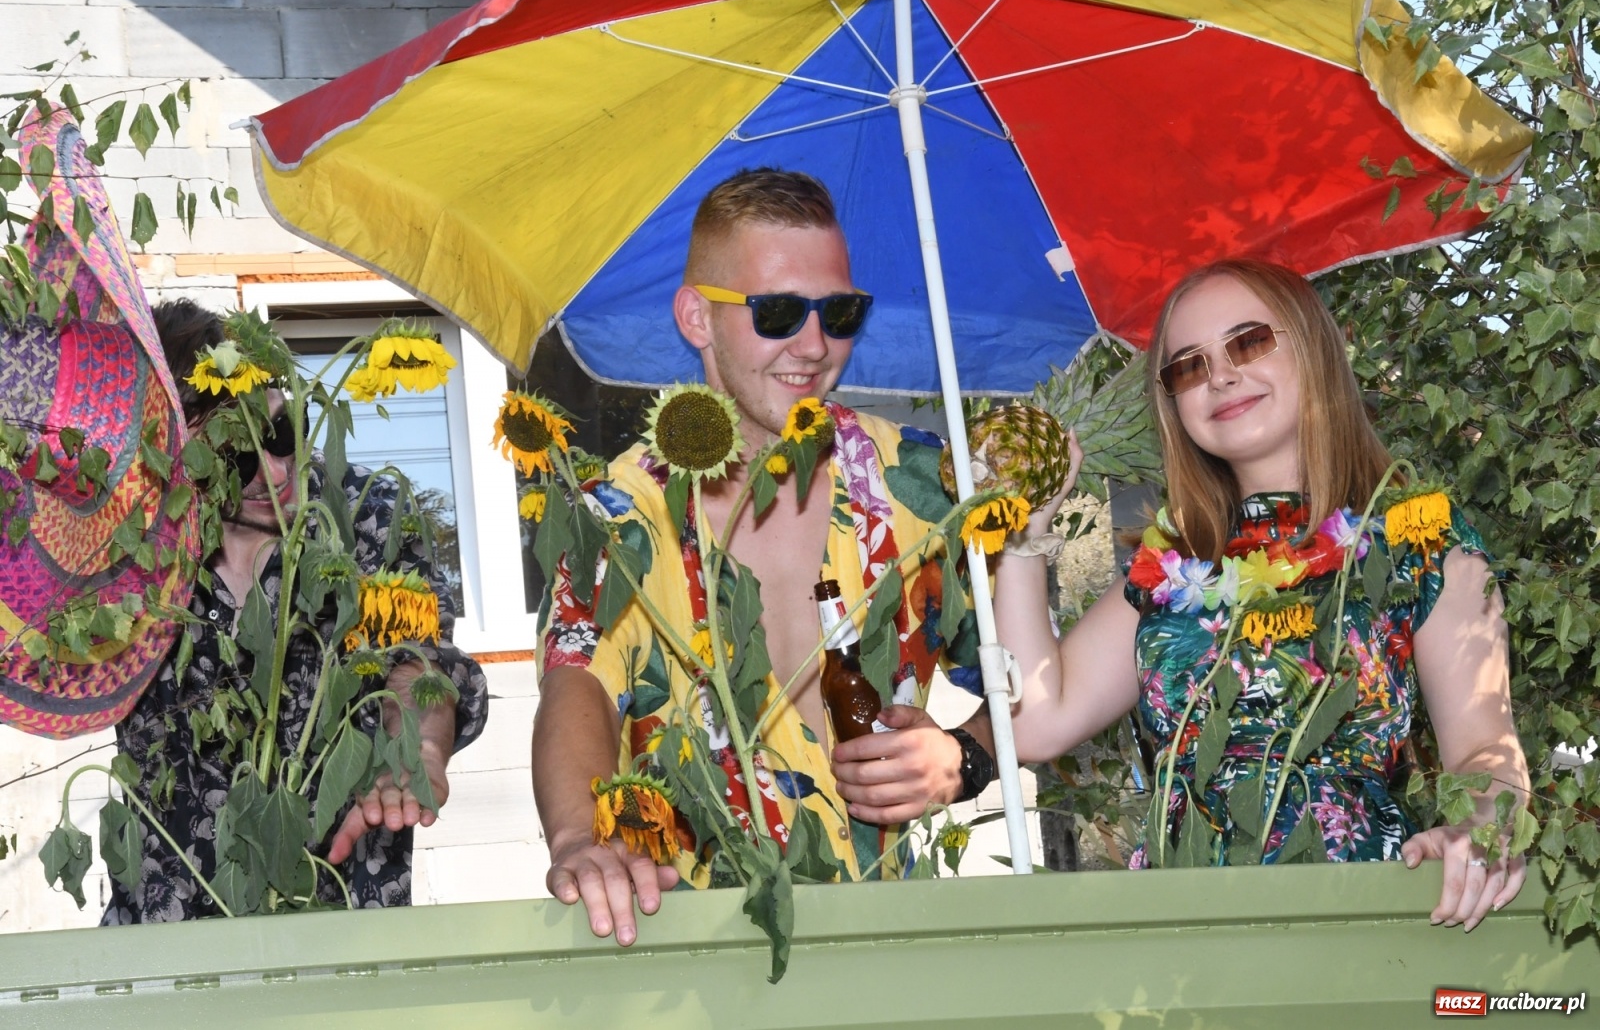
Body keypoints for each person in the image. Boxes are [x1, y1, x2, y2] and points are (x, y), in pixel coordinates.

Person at [533, 168, 994, 946]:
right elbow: (578, 684)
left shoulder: (921, 485)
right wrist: (579, 838)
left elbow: (1037, 696)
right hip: (691, 953)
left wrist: (961, 761)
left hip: (892, 948)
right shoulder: (620, 513)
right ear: (696, 318)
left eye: (840, 312)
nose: (814, 346)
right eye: (778, 313)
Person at [1001, 259, 1528, 933]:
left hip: (1355, 926)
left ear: (1313, 345)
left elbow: (1487, 750)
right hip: (1180, 940)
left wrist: (1479, 830)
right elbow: (1036, 721)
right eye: (1187, 367)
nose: (1219, 375)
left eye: (1248, 342)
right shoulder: (1171, 573)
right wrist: (1025, 534)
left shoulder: (1419, 539)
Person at [102, 299, 487, 923]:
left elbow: (420, 661)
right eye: (236, 455)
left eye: (282, 433)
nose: (275, 472)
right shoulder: (131, 555)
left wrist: (417, 749)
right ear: (169, 455)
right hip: (168, 929)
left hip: (338, 913)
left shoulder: (369, 515)